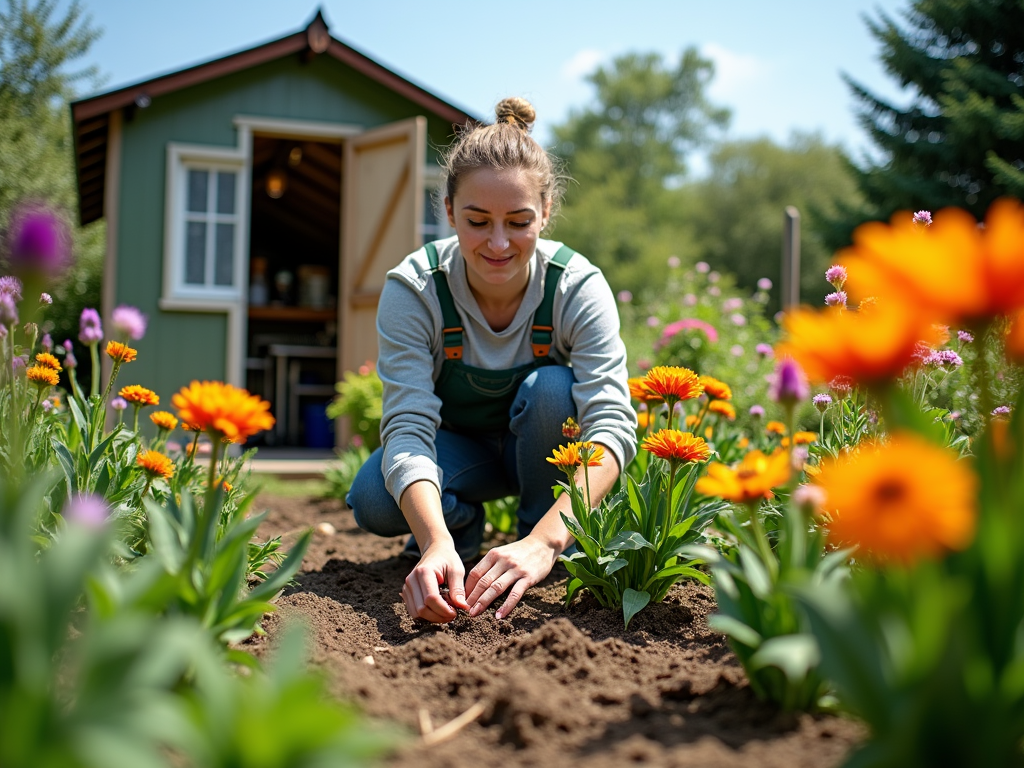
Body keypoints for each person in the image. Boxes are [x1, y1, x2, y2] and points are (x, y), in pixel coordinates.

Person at [347, 97, 636, 623]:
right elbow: (408, 428)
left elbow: (612, 427)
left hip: (549, 457)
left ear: (546, 213)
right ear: (450, 211)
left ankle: (545, 547)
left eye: (519, 221)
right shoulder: (416, 289)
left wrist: (544, 541)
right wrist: (433, 541)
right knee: (373, 497)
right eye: (478, 221)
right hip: (463, 454)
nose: (498, 243)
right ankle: (457, 535)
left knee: (552, 389)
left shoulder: (576, 288)